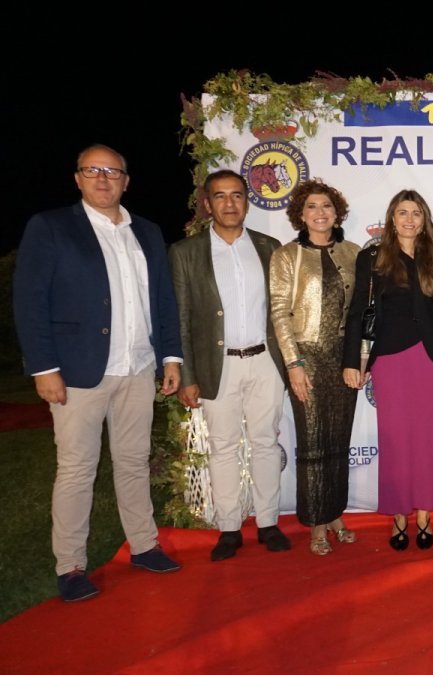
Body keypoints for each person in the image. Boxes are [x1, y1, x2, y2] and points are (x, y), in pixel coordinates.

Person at [13, 144, 183, 601]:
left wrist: (171, 357)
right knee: (76, 469)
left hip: (138, 367)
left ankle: (144, 545)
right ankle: (70, 565)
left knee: (132, 462)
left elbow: (163, 301)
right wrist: (44, 368)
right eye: (93, 170)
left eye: (113, 172)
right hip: (77, 373)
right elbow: (30, 303)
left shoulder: (146, 231)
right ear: (78, 178)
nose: (103, 178)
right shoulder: (51, 227)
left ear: (127, 181)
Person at [171, 169, 291, 561]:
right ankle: (228, 528)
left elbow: (282, 311)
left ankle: (269, 523)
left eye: (236, 195)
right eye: (219, 196)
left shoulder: (269, 247)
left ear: (247, 200)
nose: (229, 203)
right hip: (216, 365)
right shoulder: (186, 253)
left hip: (265, 363)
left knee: (266, 444)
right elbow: (182, 319)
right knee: (222, 448)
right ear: (207, 203)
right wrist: (187, 375)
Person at [342, 190, 433, 551]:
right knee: (395, 441)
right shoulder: (373, 258)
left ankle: (424, 514)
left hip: (430, 360)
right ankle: (397, 514)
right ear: (391, 219)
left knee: (427, 442)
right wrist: (353, 361)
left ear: (424, 220)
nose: (409, 219)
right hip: (390, 360)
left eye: (416, 213)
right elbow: (358, 314)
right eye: (402, 213)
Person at [269, 179, 361, 556]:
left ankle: (335, 512)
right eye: (312, 207)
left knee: (339, 440)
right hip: (306, 356)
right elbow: (279, 311)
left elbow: (362, 313)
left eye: (326, 206)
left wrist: (359, 359)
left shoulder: (354, 253)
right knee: (312, 441)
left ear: (336, 212)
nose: (320, 213)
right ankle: (316, 523)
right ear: (300, 215)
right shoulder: (286, 256)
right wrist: (293, 364)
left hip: (343, 358)